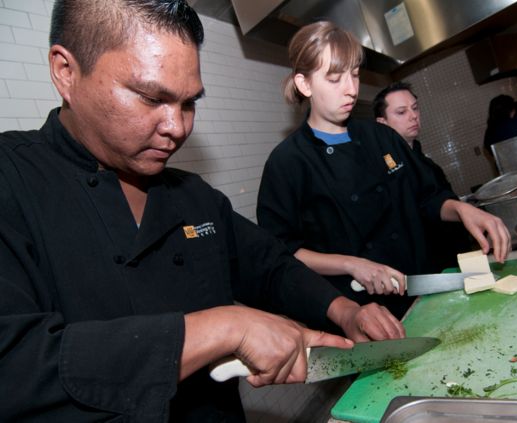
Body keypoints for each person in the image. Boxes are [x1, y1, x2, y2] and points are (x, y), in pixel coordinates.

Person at [0, 2, 406, 421]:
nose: (177, 127)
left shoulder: (193, 196)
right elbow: (16, 367)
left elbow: (269, 265)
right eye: (151, 97)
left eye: (189, 103)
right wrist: (224, 327)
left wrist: (344, 310)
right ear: (66, 71)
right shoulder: (11, 179)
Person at [257, 21, 511, 320]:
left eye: (354, 75)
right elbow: (284, 250)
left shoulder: (382, 137)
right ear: (305, 84)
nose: (352, 89)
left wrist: (460, 209)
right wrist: (352, 264)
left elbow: (427, 197)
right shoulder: (288, 161)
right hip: (364, 310)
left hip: (424, 289)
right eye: (335, 79)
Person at [372, 81, 472, 270]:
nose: (413, 116)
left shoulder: (426, 163)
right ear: (382, 123)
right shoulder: (383, 170)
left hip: (454, 261)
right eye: (401, 112)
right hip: (426, 269)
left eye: (415, 108)